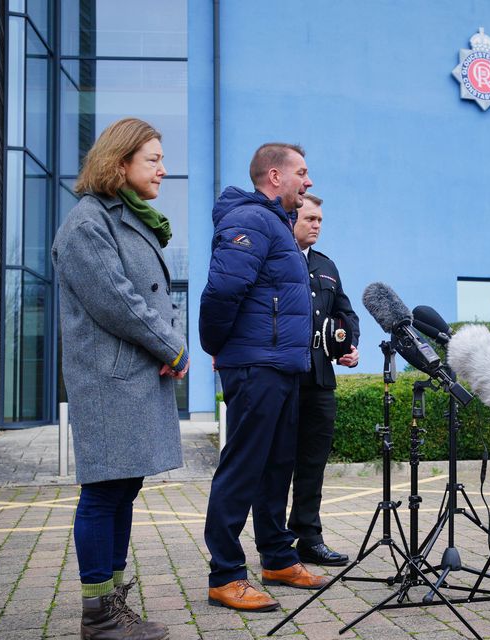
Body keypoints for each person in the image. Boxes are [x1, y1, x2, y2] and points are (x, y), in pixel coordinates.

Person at [52, 117, 188, 639]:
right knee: (104, 492)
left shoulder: (123, 215)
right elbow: (120, 303)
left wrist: (168, 347)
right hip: (109, 380)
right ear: (120, 162)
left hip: (132, 376)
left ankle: (112, 602)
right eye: (153, 159)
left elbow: (147, 297)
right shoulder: (89, 224)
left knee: (123, 487)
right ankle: (97, 615)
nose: (163, 169)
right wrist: (172, 346)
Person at [199, 143, 326, 613]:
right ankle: (226, 575)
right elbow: (222, 291)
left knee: (277, 468)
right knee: (244, 467)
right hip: (256, 365)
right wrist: (219, 347)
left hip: (281, 365)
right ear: (274, 176)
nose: (308, 182)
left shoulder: (275, 223)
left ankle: (276, 558)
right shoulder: (250, 218)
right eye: (302, 173)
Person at [287, 193, 360, 566]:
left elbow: (347, 315)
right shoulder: (278, 259)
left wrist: (351, 346)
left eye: (320, 220)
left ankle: (308, 537)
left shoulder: (326, 265)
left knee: (313, 463)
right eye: (310, 218)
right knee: (278, 462)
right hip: (284, 377)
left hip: (320, 378)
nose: (317, 225)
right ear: (291, 218)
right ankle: (276, 541)